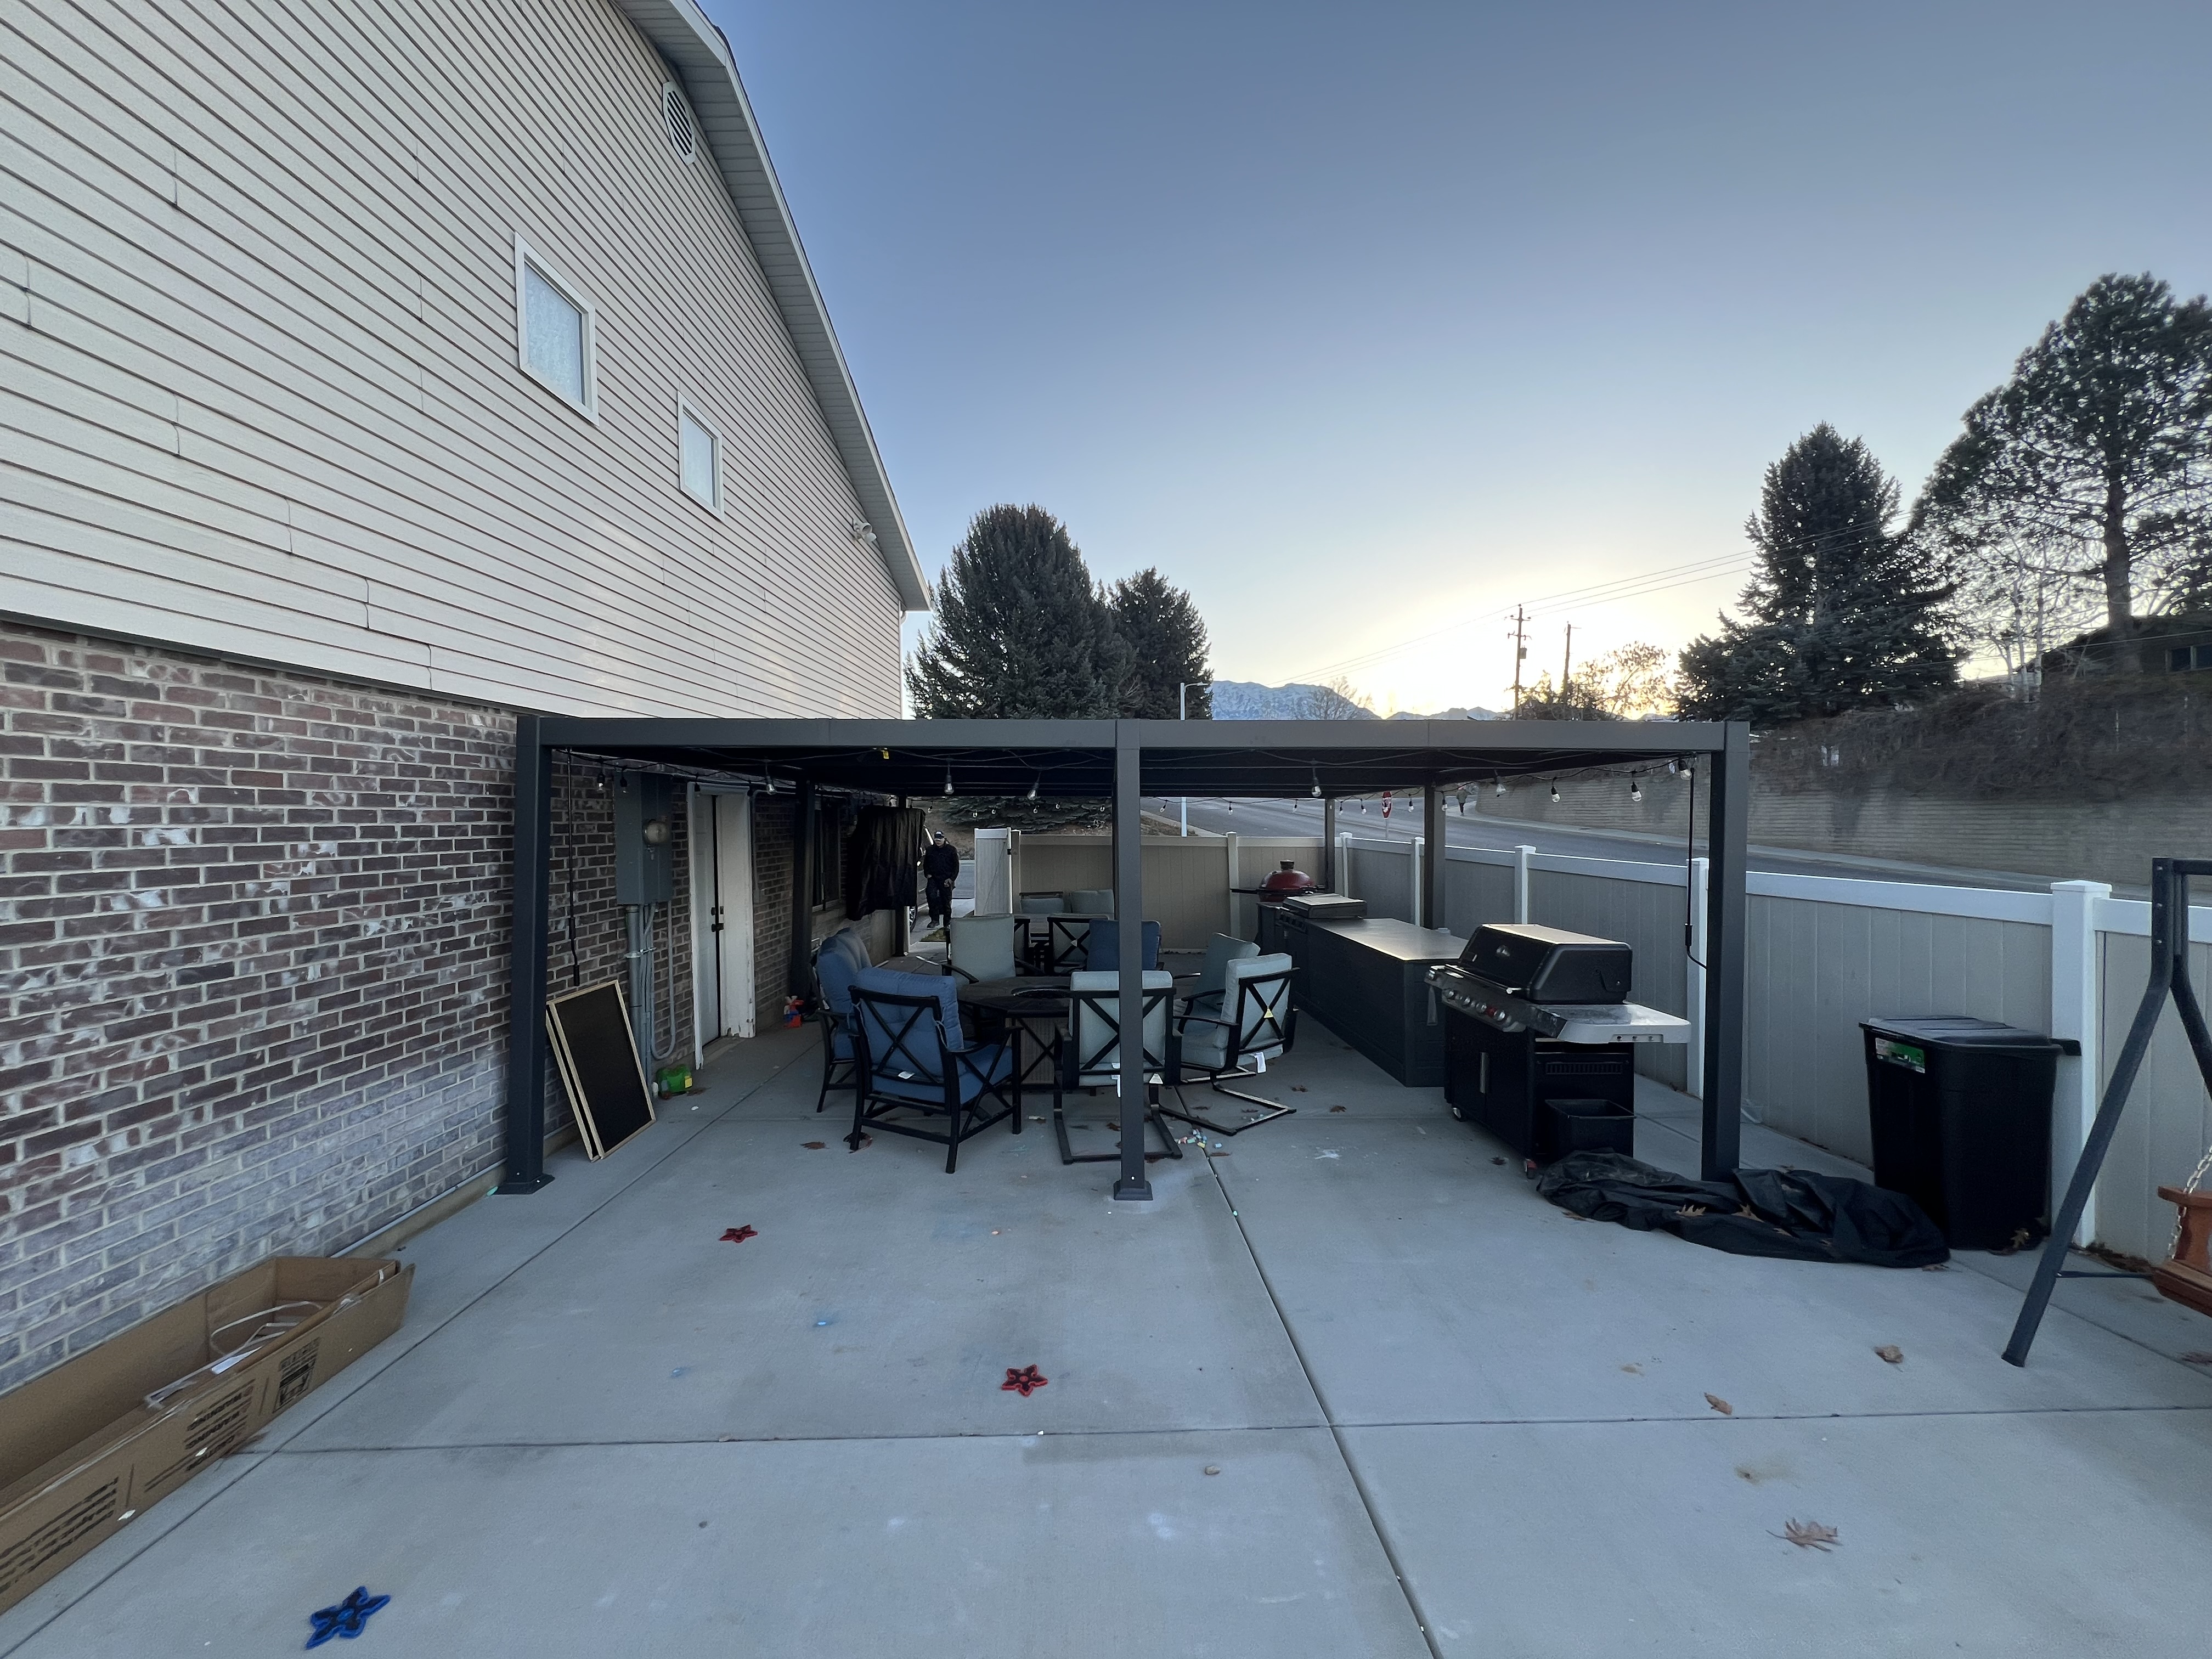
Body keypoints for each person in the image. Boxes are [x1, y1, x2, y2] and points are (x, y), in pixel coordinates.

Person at [921, 831, 959, 933]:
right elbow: (926, 863)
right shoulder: (930, 850)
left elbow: (956, 866)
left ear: (944, 839)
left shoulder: (951, 850)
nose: (938, 842)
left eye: (940, 840)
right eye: (936, 840)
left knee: (946, 901)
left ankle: (947, 923)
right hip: (933, 878)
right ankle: (934, 920)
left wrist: (951, 879)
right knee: (931, 897)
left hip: (946, 879)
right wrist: (927, 874)